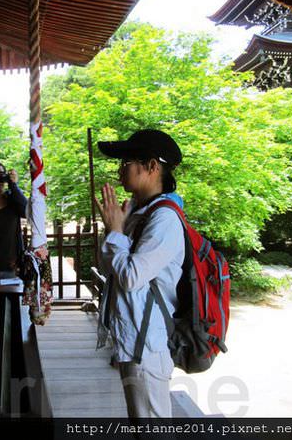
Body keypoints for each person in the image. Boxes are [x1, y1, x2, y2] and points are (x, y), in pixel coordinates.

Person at [95, 129, 185, 418]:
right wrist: (114, 231)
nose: (121, 170)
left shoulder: (165, 218)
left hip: (147, 344)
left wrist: (116, 232)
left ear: (152, 167)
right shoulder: (140, 212)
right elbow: (110, 265)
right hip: (132, 339)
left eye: (127, 162)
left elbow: (131, 276)